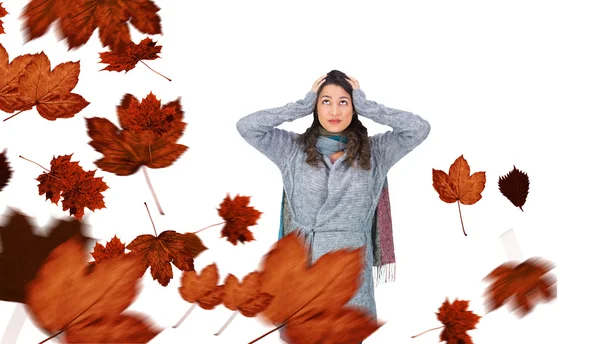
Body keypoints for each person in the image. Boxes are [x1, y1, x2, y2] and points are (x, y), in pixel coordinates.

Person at [236, 70, 431, 343]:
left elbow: (418, 129)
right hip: (303, 268)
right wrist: (300, 105)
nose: (334, 110)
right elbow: (247, 126)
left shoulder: (376, 152)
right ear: (315, 107)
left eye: (344, 101)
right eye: (325, 101)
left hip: (350, 271)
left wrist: (368, 105)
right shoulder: (292, 149)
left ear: (354, 106)